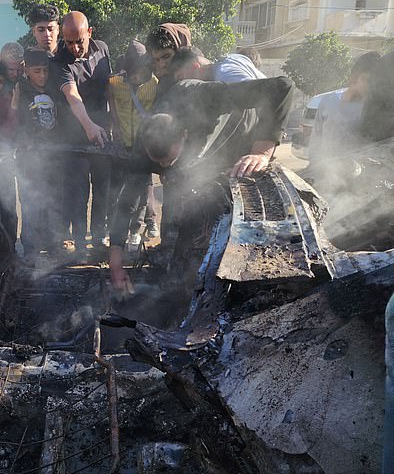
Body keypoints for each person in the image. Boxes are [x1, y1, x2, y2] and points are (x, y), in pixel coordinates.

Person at [109, 76, 294, 296]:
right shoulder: (147, 140)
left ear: (184, 135)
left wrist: (261, 151)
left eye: (167, 161)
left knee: (217, 209)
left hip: (237, 137)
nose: (162, 167)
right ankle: (182, 274)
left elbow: (282, 87)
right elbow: (128, 199)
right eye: (158, 163)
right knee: (184, 210)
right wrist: (115, 261)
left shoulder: (206, 98)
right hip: (196, 156)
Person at [52, 11, 112, 250]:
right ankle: (78, 240)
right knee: (78, 192)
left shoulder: (103, 49)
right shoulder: (59, 62)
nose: (75, 48)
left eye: (80, 41)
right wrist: (88, 126)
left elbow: (111, 88)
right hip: (75, 136)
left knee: (103, 188)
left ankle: (98, 238)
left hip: (103, 133)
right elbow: (72, 95)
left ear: (90, 33)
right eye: (69, 42)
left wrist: (114, 123)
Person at [107, 40, 159, 248]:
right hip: (121, 146)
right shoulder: (115, 82)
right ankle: (115, 231)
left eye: (143, 71)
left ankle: (135, 232)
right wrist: (116, 125)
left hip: (143, 148)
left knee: (140, 192)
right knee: (118, 190)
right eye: (134, 72)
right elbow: (109, 98)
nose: (138, 76)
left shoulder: (154, 84)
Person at [13, 48, 64, 258]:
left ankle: (54, 245)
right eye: (37, 71)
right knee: (30, 202)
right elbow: (16, 123)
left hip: (52, 156)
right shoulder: (21, 90)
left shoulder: (53, 89)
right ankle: (31, 247)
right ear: (26, 69)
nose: (42, 76)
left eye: (45, 70)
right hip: (29, 158)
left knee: (53, 202)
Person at [308, 51, 381, 193]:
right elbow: (316, 140)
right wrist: (314, 169)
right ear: (354, 78)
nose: (371, 86)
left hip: (356, 183)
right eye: (367, 80)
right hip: (324, 177)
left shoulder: (372, 110)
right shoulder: (329, 101)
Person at [169, 46, 266, 83]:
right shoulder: (232, 58)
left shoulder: (225, 74)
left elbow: (255, 94)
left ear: (196, 66)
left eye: (180, 78)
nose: (180, 84)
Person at [144, 23, 191, 95]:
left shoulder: (197, 70)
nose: (162, 64)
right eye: (157, 60)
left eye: (166, 56)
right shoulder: (155, 80)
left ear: (178, 49)